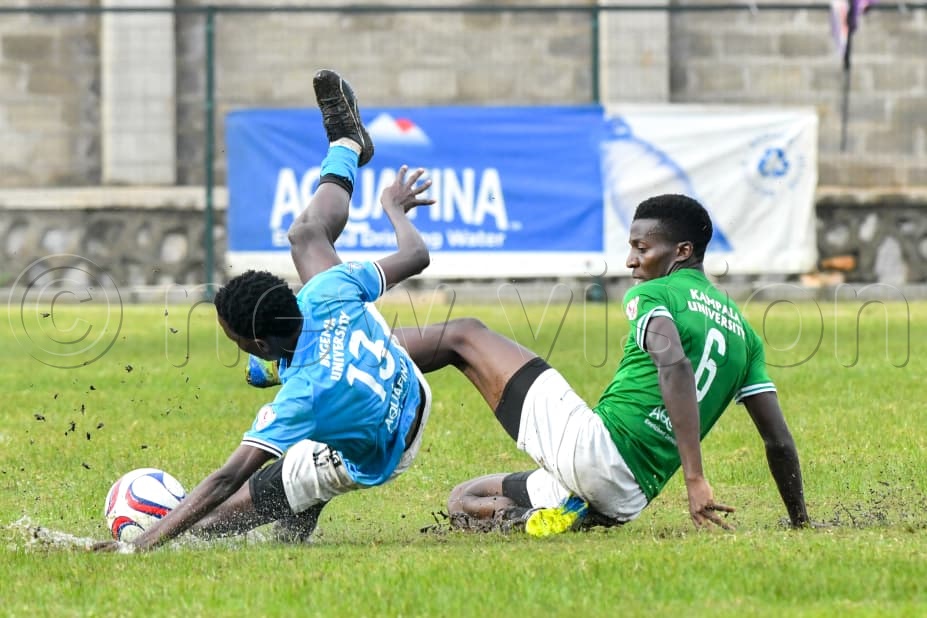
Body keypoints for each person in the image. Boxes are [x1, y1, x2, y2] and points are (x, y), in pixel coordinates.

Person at [95, 69, 436, 551]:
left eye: (237, 341)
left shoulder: (299, 397)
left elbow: (225, 478)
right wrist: (395, 211)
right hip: (399, 381)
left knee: (201, 529)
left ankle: (294, 500)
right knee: (306, 236)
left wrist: (142, 542)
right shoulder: (328, 290)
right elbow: (415, 257)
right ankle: (347, 143)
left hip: (388, 444)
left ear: (256, 340)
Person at [394, 194, 811, 536]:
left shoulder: (656, 293)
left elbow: (674, 366)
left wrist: (695, 478)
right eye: (632, 247)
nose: (631, 261)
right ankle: (533, 520)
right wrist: (800, 521)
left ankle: (358, 348)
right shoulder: (744, 333)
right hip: (626, 498)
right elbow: (778, 441)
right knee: (463, 499)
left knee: (464, 334)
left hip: (595, 450)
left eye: (642, 249)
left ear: (682, 252)